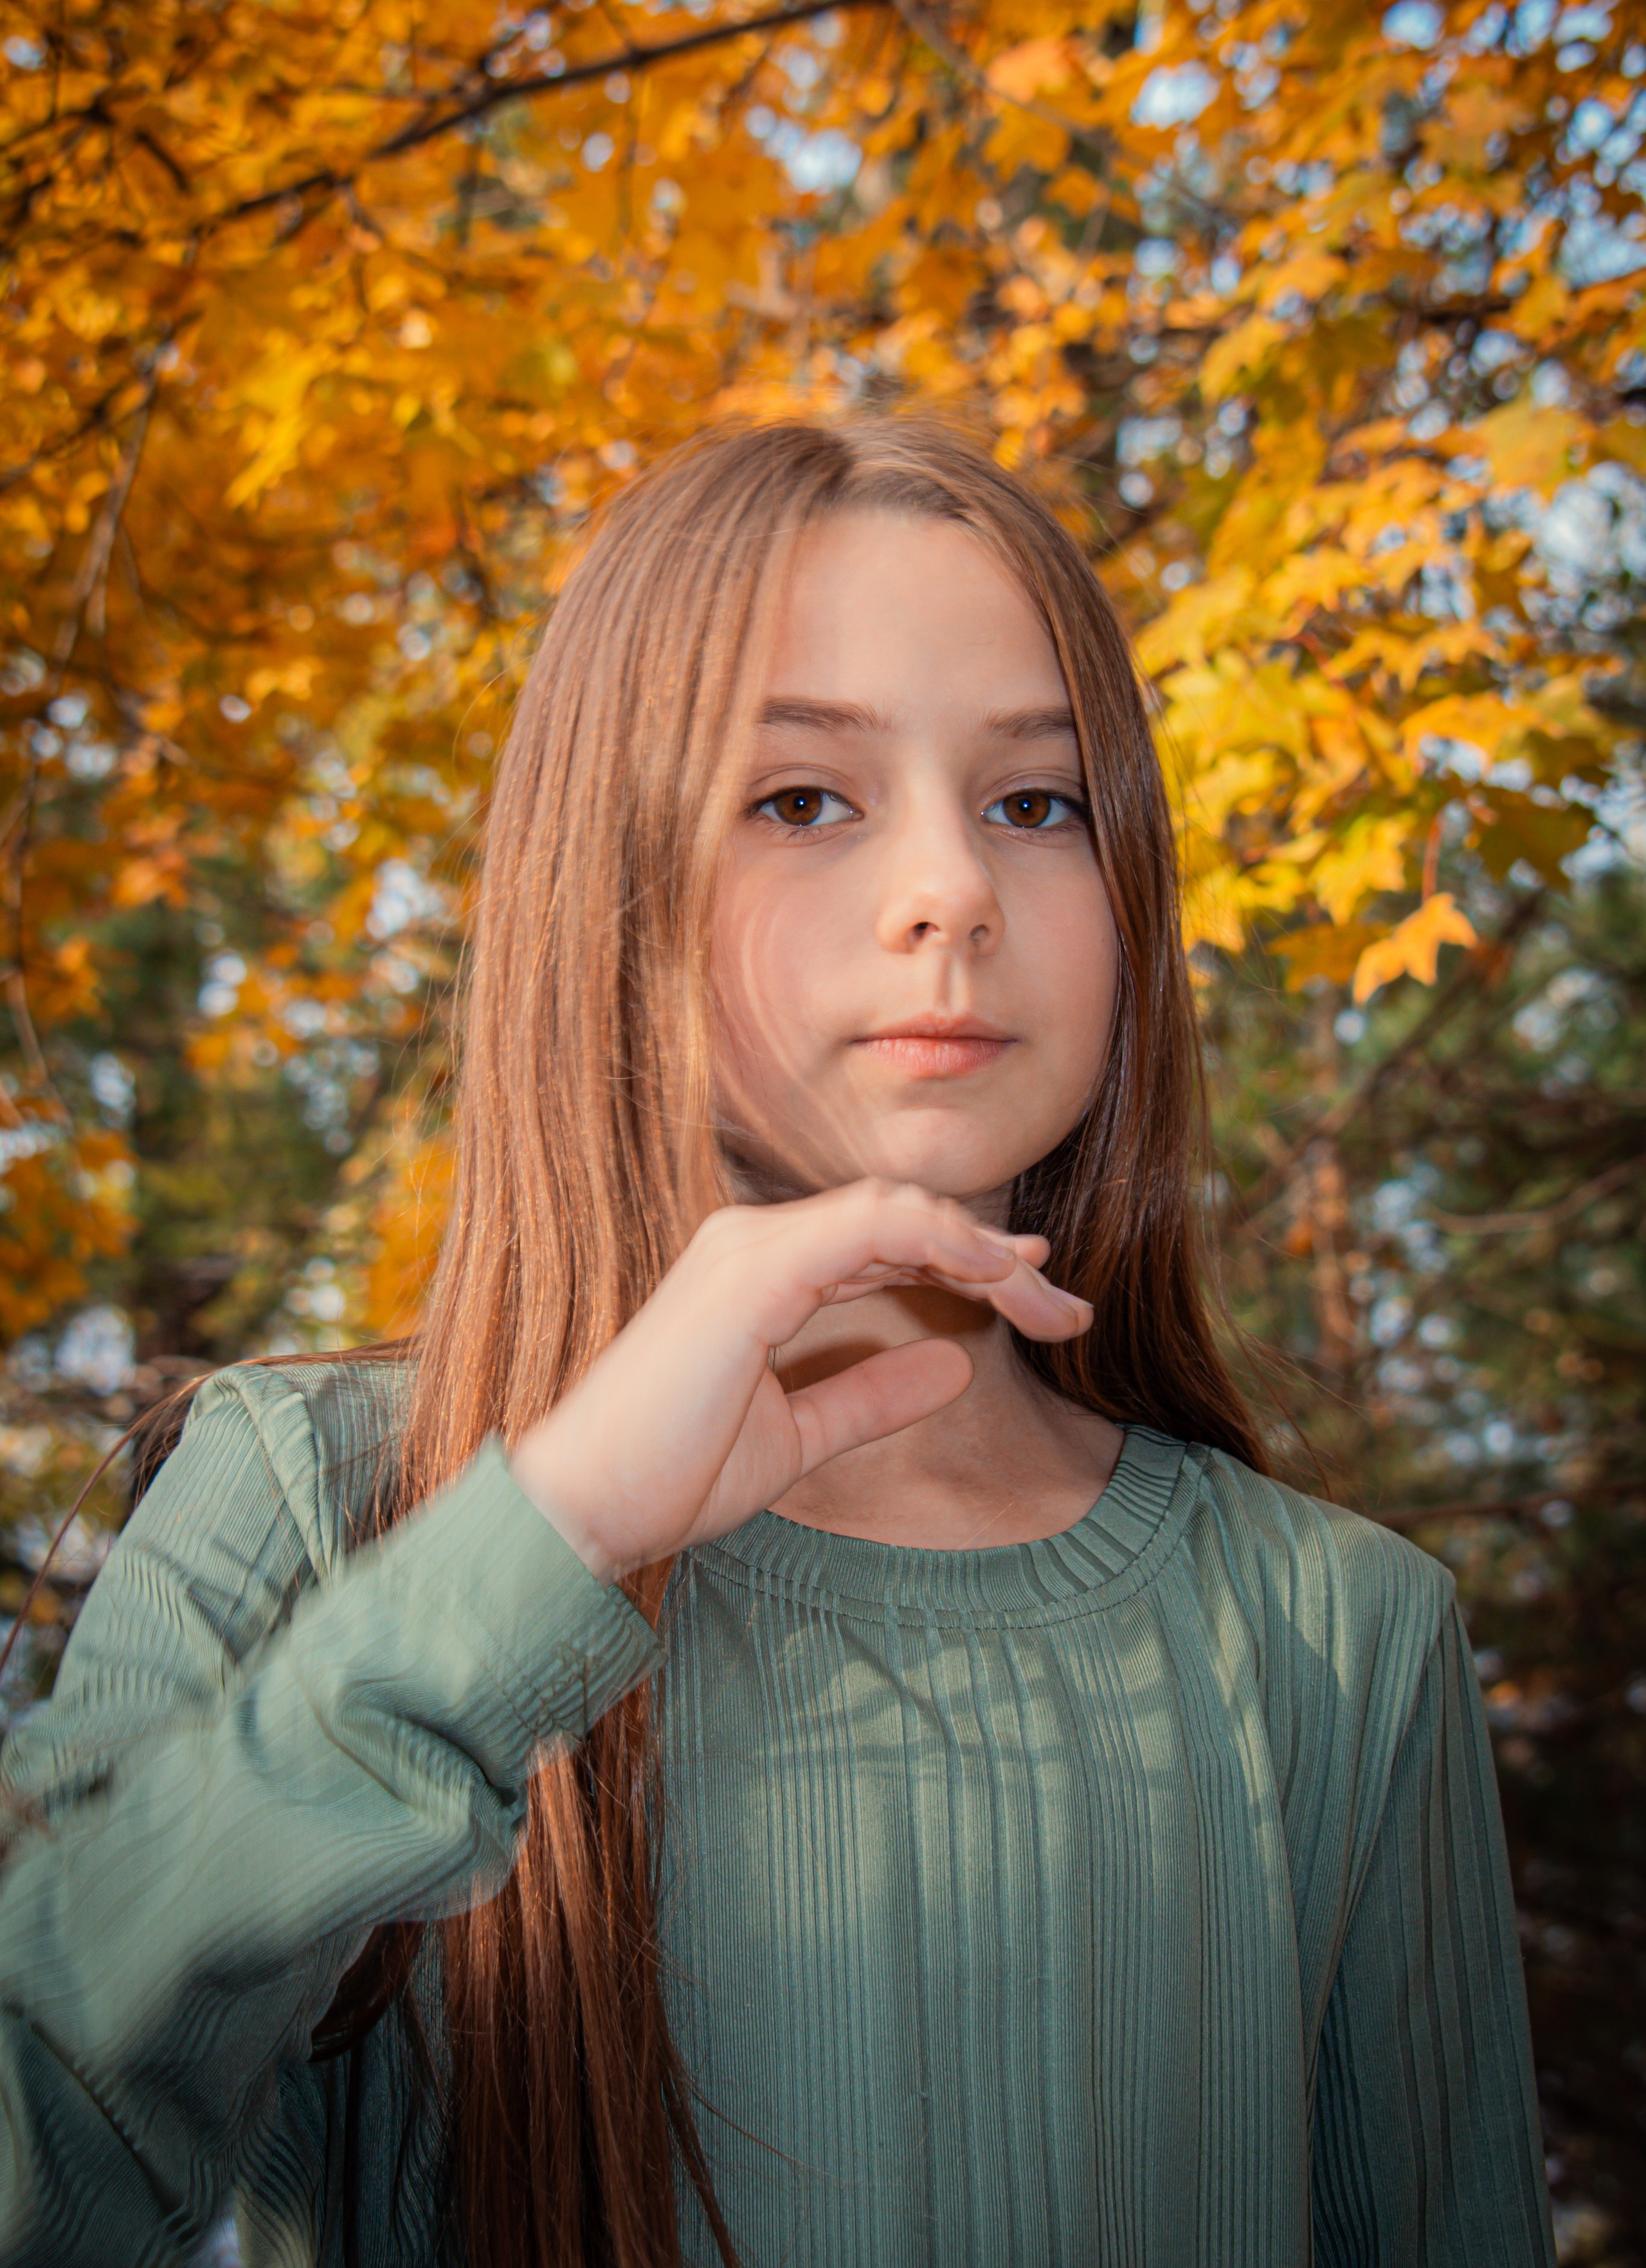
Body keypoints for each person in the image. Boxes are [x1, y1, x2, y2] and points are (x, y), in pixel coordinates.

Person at [0, 420, 1553, 2268]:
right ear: (617, 875)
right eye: (805, 797)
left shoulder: (1339, 1634)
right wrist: (540, 1542)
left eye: (1036, 804)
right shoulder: (316, 1494)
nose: (953, 892)